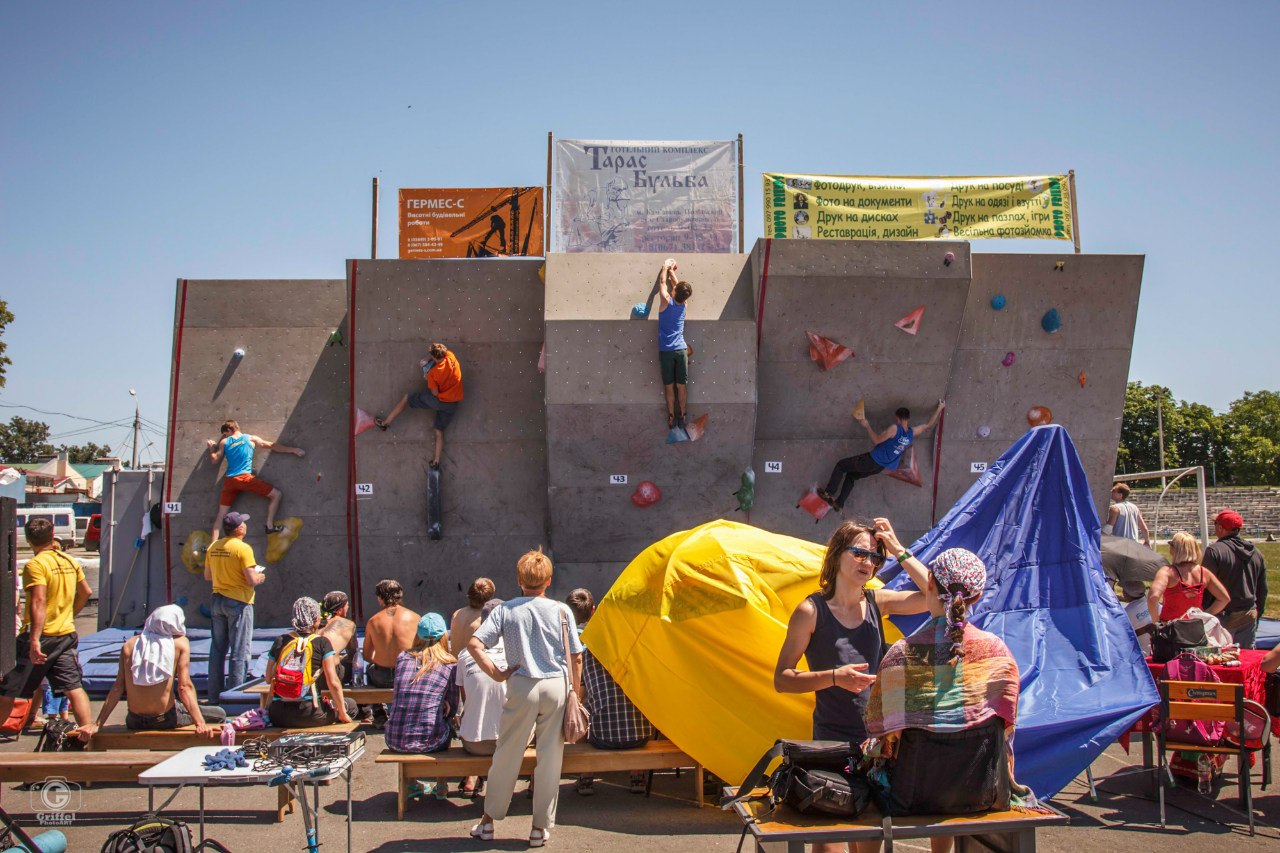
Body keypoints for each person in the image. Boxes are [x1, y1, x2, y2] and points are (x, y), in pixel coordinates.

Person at [773, 517, 932, 853]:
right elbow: (782, 679)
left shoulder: (878, 602)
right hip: (831, 748)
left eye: (876, 557)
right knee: (826, 842)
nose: (869, 563)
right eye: (860, 553)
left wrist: (900, 551)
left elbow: (935, 598)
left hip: (876, 747)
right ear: (836, 554)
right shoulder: (810, 611)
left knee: (869, 844)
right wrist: (834, 677)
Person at [865, 549, 1023, 853]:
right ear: (975, 598)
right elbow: (1004, 728)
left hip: (910, 797)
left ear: (929, 585)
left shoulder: (902, 654)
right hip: (983, 791)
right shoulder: (999, 653)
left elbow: (880, 730)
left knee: (867, 764)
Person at [467, 547, 583, 848]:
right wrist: (574, 692)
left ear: (520, 579)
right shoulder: (561, 610)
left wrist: (496, 672)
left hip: (521, 683)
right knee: (550, 758)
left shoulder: (506, 610)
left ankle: (489, 821)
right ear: (548, 580)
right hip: (556, 684)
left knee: (507, 754)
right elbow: (576, 657)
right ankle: (539, 827)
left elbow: (475, 643)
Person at [77, 604, 226, 739]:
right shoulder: (180, 644)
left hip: (134, 720)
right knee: (219, 714)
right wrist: (200, 723)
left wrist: (98, 724)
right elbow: (184, 687)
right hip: (165, 719)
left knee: (182, 706)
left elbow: (117, 687)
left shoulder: (129, 645)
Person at [0, 518, 94, 729]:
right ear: (52, 537)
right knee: (74, 687)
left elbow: (39, 600)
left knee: (8, 690)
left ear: (28, 540)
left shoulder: (36, 564)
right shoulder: (69, 560)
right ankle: (88, 734)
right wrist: (69, 615)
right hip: (65, 634)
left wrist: (34, 638)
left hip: (42, 636)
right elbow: (86, 592)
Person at [567, 588, 651, 797]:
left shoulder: (586, 655)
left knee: (582, 712)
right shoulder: (632, 652)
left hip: (602, 736)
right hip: (640, 736)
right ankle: (637, 776)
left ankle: (586, 778)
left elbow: (582, 694)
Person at [819, 401, 945, 512]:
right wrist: (940, 408)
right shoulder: (911, 433)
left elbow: (876, 440)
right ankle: (839, 503)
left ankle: (828, 493)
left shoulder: (895, 428)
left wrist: (867, 425)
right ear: (909, 418)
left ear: (897, 418)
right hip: (880, 467)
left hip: (872, 460)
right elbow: (928, 425)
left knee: (841, 465)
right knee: (851, 476)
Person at [263, 597, 355, 727]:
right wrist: (342, 712)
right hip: (310, 713)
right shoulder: (322, 642)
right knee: (351, 705)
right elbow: (333, 682)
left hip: (278, 715)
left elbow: (268, 679)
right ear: (316, 619)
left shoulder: (280, 640)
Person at [205, 419, 305, 537]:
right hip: (245, 479)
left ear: (228, 430)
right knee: (276, 495)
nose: (224, 436)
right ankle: (269, 526)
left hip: (230, 481)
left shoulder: (225, 442)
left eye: (225, 434)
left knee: (221, 515)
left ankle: (212, 547)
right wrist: (293, 450)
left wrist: (212, 450)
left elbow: (215, 460)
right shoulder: (250, 438)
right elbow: (271, 445)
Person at [203, 511, 265, 703]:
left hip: (217, 599)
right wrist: (261, 577)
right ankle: (235, 696)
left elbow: (207, 576)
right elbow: (252, 579)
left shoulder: (214, 546)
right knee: (240, 651)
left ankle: (214, 696)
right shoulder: (243, 549)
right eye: (243, 523)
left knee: (217, 649)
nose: (245, 526)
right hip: (238, 601)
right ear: (239, 529)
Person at [386, 613, 459, 773]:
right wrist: (442, 704)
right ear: (444, 637)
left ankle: (412, 784)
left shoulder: (403, 658)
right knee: (446, 723)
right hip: (431, 740)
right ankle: (442, 784)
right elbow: (453, 708)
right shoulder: (449, 663)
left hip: (394, 738)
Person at [375, 342, 464, 469]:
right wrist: (428, 358)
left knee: (407, 398)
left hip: (439, 400)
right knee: (439, 431)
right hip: (452, 403)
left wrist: (427, 375)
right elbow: (440, 352)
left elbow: (435, 393)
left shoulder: (433, 373)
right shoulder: (451, 356)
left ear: (434, 357)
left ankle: (385, 423)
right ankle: (436, 461)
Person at [1202, 509, 1269, 649]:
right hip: (1248, 614)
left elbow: (1205, 586)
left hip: (1221, 616)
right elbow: (1262, 590)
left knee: (1219, 662)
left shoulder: (1214, 551)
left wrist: (1204, 613)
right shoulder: (1257, 553)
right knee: (1246, 662)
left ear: (1220, 527)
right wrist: (1258, 614)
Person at [1146, 531, 1230, 624]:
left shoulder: (1167, 572)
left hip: (1171, 627)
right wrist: (1205, 615)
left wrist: (1156, 622)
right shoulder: (1204, 572)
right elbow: (1224, 598)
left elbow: (1153, 597)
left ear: (1174, 549)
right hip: (1195, 627)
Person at [363, 580, 422, 690]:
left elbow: (367, 655)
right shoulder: (415, 618)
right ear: (400, 596)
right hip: (408, 675)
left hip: (382, 678)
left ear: (380, 598)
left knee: (370, 668)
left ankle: (376, 707)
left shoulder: (373, 621)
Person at [657, 258, 693, 429]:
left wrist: (665, 267)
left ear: (673, 292)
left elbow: (663, 282)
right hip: (681, 350)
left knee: (669, 387)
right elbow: (676, 286)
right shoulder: (684, 305)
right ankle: (683, 416)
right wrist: (673, 272)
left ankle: (672, 417)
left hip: (667, 352)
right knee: (681, 386)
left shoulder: (665, 302)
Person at [450, 577, 496, 658]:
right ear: (490, 598)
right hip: (469, 668)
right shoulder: (483, 620)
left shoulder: (457, 613)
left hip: (454, 665)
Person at [319, 591, 358, 685]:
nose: (348, 607)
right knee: (353, 661)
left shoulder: (316, 623)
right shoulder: (348, 624)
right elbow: (353, 653)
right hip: (332, 675)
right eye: (347, 605)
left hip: (313, 674)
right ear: (340, 610)